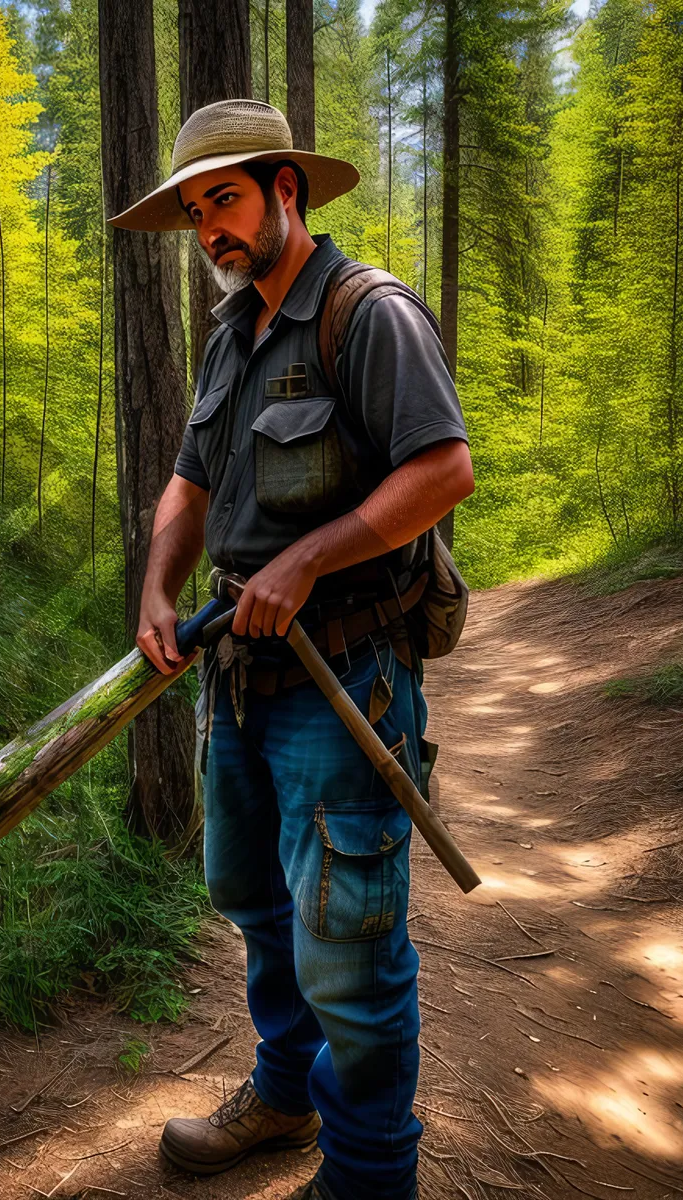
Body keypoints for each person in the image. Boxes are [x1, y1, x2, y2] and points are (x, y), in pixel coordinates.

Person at [107, 99, 474, 1200]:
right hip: (241, 683)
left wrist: (310, 559)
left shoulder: (367, 313)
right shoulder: (233, 333)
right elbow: (189, 482)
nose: (211, 227)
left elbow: (444, 471)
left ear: (286, 190)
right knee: (259, 905)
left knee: (348, 949)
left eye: (226, 198)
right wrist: (157, 590)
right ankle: (285, 1092)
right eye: (194, 210)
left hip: (346, 677)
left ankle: (368, 1176)